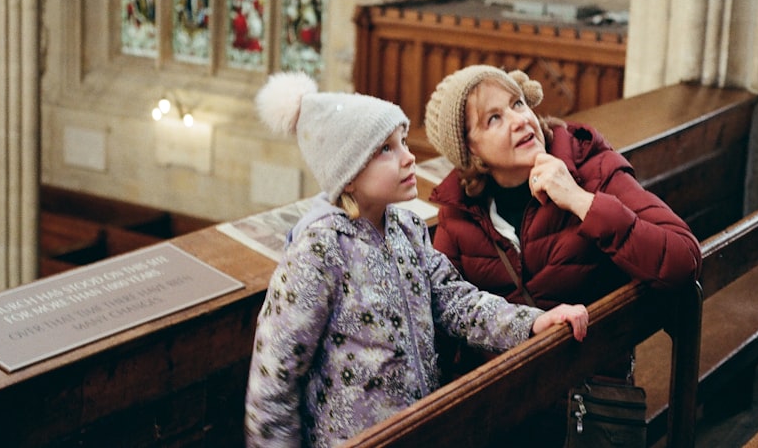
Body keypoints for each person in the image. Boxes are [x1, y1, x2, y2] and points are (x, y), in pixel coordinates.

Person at [244, 71, 589, 448]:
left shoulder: (406, 228)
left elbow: (457, 302)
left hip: (419, 431)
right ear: (348, 173)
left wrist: (535, 322)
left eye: (404, 142)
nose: (409, 158)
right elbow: (273, 379)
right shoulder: (320, 250)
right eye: (386, 149)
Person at [423, 65, 702, 443]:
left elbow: (683, 260)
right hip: (505, 412)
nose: (520, 121)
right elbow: (443, 327)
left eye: (518, 104)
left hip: (585, 406)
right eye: (494, 119)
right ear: (470, 150)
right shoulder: (459, 214)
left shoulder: (593, 170)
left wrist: (580, 200)